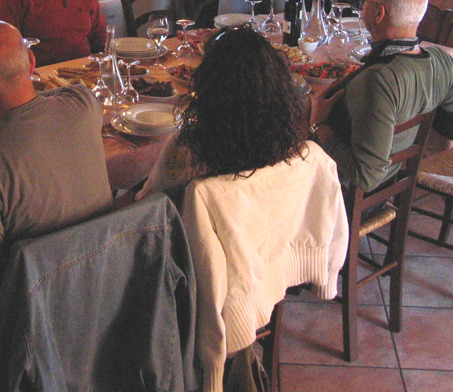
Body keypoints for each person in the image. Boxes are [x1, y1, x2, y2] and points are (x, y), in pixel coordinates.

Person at [137, 27, 346, 392]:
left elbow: (150, 203)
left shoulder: (187, 147)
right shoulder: (295, 146)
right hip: (267, 257)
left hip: (208, 283)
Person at [0, 20, 114, 320]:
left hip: (35, 324)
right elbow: (53, 99)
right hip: (106, 293)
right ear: (32, 63)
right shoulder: (84, 105)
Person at [310, 0, 453, 193]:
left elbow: (366, 177)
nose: (361, 6)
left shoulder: (378, 80)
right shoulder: (442, 61)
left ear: (378, 13)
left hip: (339, 198)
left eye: (363, 0)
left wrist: (319, 124)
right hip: (392, 182)